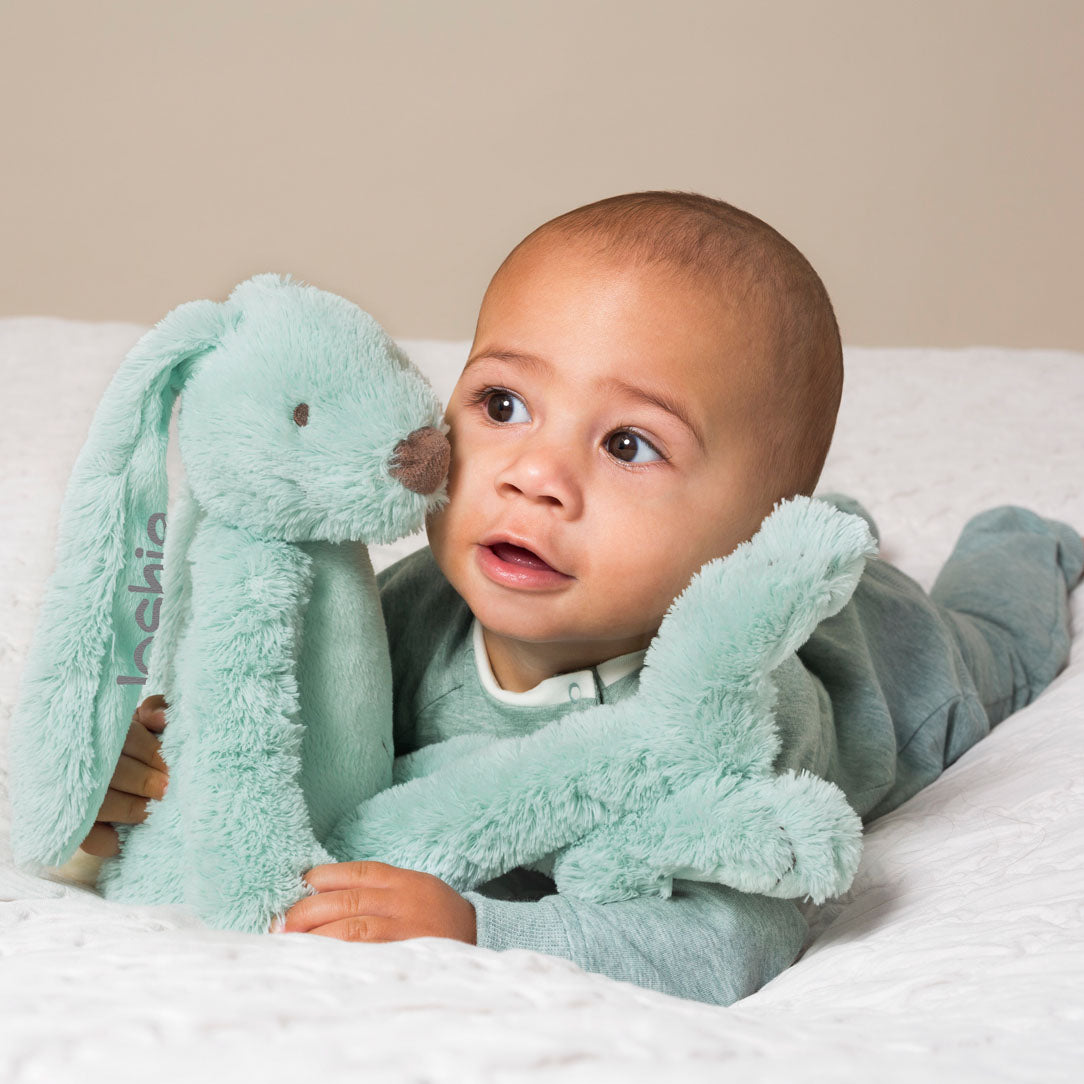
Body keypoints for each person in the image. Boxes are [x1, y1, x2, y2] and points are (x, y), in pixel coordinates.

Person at [78, 191, 1084, 1007]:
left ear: (754, 531)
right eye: (503, 404)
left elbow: (728, 940)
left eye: (627, 444)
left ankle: (1018, 545)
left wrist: (482, 926)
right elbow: (291, 727)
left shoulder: (735, 716)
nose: (532, 476)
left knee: (992, 641)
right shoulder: (418, 603)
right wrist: (145, 776)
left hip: (889, 668)